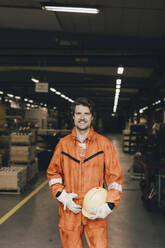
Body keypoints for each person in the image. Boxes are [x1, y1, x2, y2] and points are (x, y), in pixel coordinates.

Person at [47, 97, 122, 248]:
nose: (82, 118)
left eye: (86, 114)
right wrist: (63, 196)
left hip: (95, 209)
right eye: (78, 113)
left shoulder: (104, 144)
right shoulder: (63, 144)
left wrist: (109, 205)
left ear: (92, 117)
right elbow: (53, 174)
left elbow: (115, 179)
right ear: (73, 116)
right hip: (70, 210)